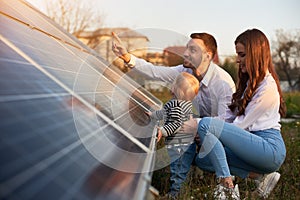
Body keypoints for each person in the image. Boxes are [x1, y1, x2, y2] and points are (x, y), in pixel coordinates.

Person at [112, 31, 236, 198]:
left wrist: (197, 126)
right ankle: (195, 170)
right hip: (194, 133)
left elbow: (227, 122)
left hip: (217, 136)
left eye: (193, 50)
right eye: (187, 48)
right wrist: (127, 57)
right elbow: (154, 71)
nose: (185, 53)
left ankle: (226, 179)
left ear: (207, 56)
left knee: (195, 148)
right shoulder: (184, 73)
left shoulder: (223, 83)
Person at [181, 28, 287, 199]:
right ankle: (261, 178)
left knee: (207, 125)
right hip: (250, 145)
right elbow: (229, 117)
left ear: (256, 54)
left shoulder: (268, 88)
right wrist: (200, 127)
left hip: (269, 149)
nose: (238, 60)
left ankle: (227, 186)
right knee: (203, 159)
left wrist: (202, 126)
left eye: (242, 54)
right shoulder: (250, 84)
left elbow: (240, 126)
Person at [146, 72, 199, 198]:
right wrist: (153, 115)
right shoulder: (182, 104)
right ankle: (180, 189)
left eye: (174, 84)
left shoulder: (177, 105)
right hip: (186, 144)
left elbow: (176, 124)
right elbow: (164, 113)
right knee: (182, 169)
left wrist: (163, 131)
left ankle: (175, 194)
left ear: (177, 89)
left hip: (180, 146)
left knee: (178, 170)